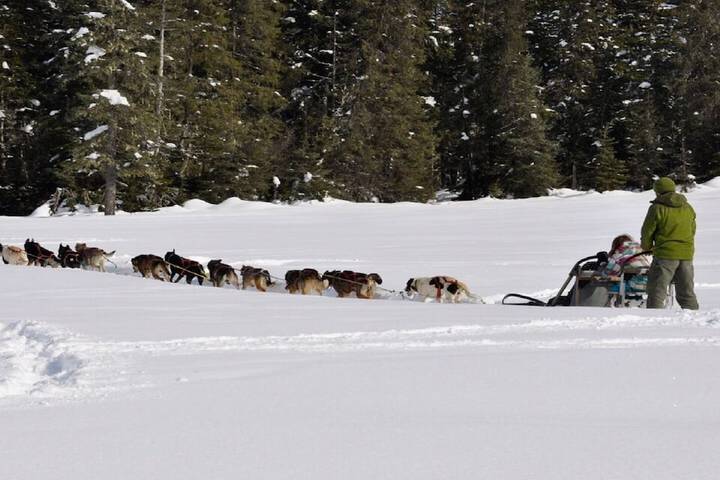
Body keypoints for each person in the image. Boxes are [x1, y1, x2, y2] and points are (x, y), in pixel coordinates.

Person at [641, 177, 699, 309]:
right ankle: (694, 321)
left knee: (657, 291)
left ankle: (653, 322)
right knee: (686, 292)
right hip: (686, 255)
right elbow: (692, 229)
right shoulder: (688, 207)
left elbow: (647, 231)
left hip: (665, 255)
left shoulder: (656, 208)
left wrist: (646, 247)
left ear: (658, 191)